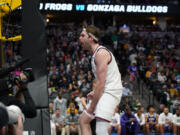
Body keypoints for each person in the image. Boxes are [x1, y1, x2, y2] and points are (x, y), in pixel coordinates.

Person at [79, 25, 123, 135]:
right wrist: (95, 92)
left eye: (82, 35)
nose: (80, 38)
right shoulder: (94, 55)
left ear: (91, 38)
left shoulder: (101, 53)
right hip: (106, 90)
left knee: (101, 129)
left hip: (111, 92)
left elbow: (101, 83)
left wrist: (92, 107)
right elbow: (106, 78)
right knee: (83, 121)